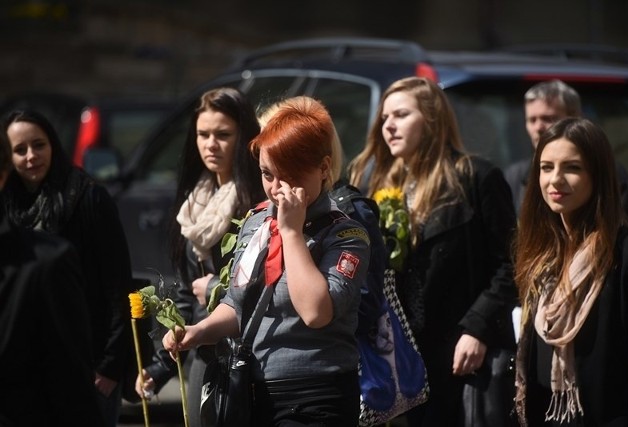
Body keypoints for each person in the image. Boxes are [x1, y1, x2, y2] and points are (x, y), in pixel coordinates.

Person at [162, 96, 370, 426]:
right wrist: (198, 331)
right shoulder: (256, 222)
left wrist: (291, 234)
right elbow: (239, 303)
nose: (277, 189)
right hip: (252, 390)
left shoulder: (346, 234)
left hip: (315, 397)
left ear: (324, 167)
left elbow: (316, 313)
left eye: (290, 175)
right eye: (267, 174)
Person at [349, 76, 518, 427]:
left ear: (432, 119)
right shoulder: (377, 185)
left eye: (401, 114)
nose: (389, 126)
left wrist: (478, 328)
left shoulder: (476, 178)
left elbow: (511, 264)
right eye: (384, 118)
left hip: (455, 355)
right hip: (397, 359)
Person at [134, 87, 264, 426]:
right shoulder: (195, 203)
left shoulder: (260, 201)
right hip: (203, 354)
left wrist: (216, 290)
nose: (211, 144)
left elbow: (267, 284)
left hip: (250, 356)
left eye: (223, 135)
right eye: (203, 134)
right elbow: (183, 291)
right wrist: (161, 365)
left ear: (244, 136)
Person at [1, 109, 134, 427]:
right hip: (27, 382)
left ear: (53, 146)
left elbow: (117, 286)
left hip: (92, 369)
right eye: (20, 150)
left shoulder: (88, 198)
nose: (31, 156)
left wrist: (109, 369)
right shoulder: (8, 208)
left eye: (39, 145)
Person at [513, 117, 628, 426]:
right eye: (546, 168)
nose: (555, 179)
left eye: (572, 168)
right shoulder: (541, 255)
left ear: (597, 175)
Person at [504, 79, 628, 225]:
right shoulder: (514, 176)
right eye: (532, 120)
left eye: (548, 118)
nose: (538, 127)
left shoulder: (611, 172)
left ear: (575, 117)